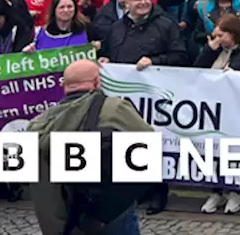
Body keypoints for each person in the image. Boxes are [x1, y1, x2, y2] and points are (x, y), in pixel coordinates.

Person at [28, 60, 155, 235]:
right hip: (110, 209)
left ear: (64, 86)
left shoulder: (40, 123)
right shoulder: (113, 108)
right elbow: (148, 138)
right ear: (97, 82)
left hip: (65, 217)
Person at [193, 14, 240, 215]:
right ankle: (216, 191)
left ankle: (234, 192)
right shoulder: (215, 50)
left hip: (236, 112)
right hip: (212, 109)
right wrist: (210, 50)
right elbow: (195, 72)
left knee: (231, 152)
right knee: (212, 152)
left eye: (221, 35)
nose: (218, 39)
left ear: (233, 34)